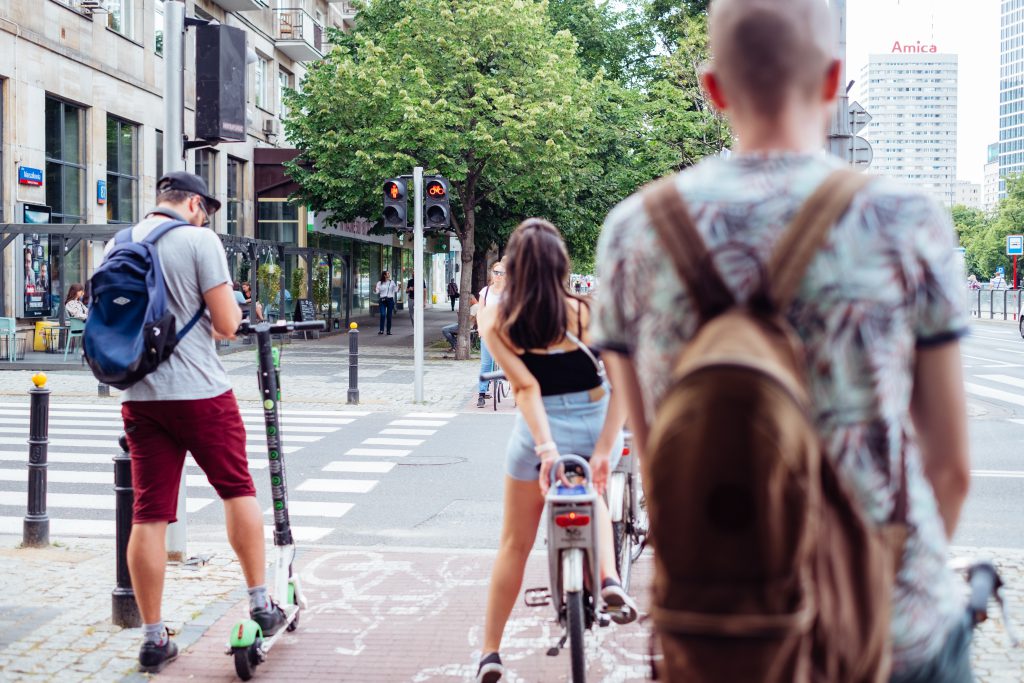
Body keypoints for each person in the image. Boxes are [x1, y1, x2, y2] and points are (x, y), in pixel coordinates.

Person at [593, 1, 972, 681]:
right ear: (832, 82)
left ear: (712, 90)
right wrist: (874, 592)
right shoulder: (906, 220)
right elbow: (951, 468)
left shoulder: (633, 234)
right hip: (894, 633)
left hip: (726, 632)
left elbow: (655, 462)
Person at [115, 171, 287, 673]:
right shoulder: (199, 240)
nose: (206, 216)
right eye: (205, 208)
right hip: (200, 393)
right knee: (237, 489)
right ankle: (260, 603)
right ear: (192, 204)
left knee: (148, 512)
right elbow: (229, 324)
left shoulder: (120, 241)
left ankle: (153, 639)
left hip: (140, 396)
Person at [474, 220, 636, 683]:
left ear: (514, 268)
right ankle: (609, 579)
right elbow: (623, 381)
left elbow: (524, 388)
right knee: (595, 495)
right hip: (592, 422)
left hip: (537, 428)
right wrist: (604, 449)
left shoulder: (500, 322)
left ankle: (490, 653)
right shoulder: (589, 312)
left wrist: (547, 452)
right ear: (563, 265)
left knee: (514, 544)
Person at [476, 259, 507, 408]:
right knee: (486, 364)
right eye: (496, 272)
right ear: (492, 273)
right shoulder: (485, 291)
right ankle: (481, 394)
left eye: (502, 273)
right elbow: (480, 311)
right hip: (488, 330)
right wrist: (480, 328)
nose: (498, 275)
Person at [375, 271, 398, 335]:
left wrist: (398, 287)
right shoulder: (379, 283)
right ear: (384, 275)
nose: (389, 274)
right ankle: (381, 330)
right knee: (382, 314)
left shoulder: (392, 282)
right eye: (388, 273)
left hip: (390, 300)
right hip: (382, 300)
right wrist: (375, 290)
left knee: (389, 316)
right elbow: (377, 291)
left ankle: (388, 331)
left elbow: (395, 290)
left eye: (389, 273)